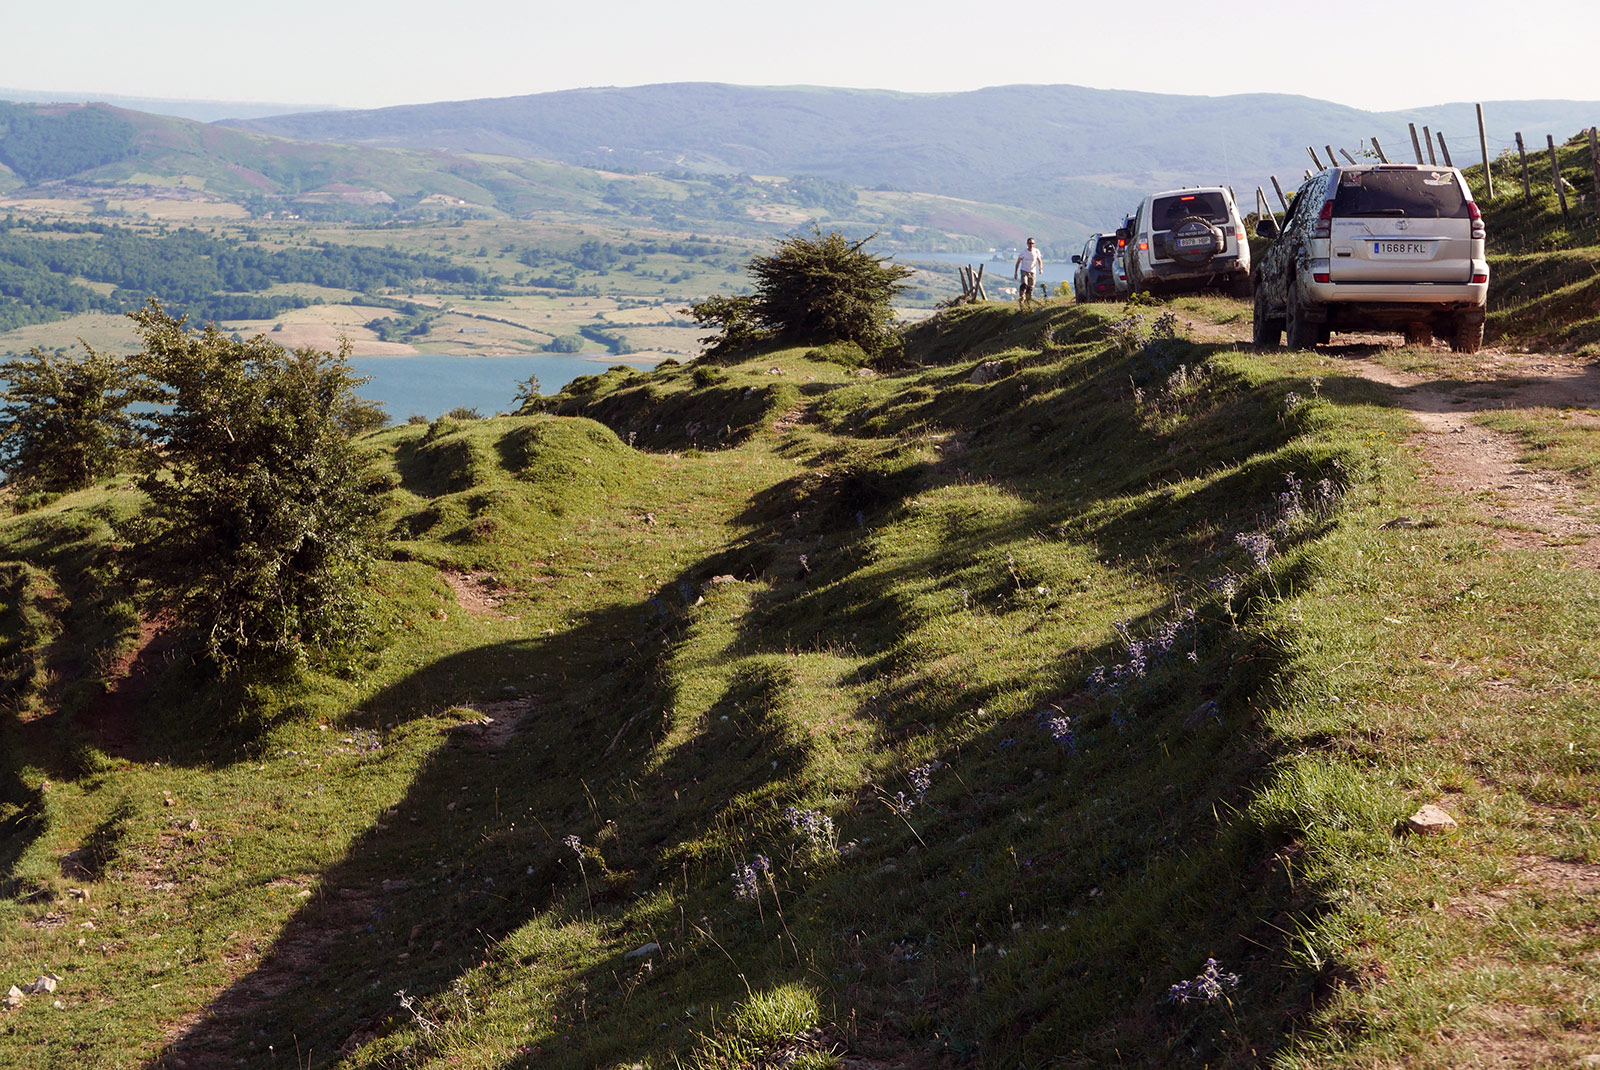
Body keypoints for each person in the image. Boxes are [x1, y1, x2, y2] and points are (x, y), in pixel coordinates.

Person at [1014, 238, 1043, 305]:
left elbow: (1039, 260)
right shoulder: (1023, 252)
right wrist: (1015, 273)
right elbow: (1018, 262)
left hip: (1032, 271)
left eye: (1032, 243)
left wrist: (1040, 268)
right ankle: (1021, 297)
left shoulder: (1036, 251)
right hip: (1024, 270)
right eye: (1030, 243)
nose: (1031, 245)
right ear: (1027, 244)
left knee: (1031, 287)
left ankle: (1028, 300)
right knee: (1024, 284)